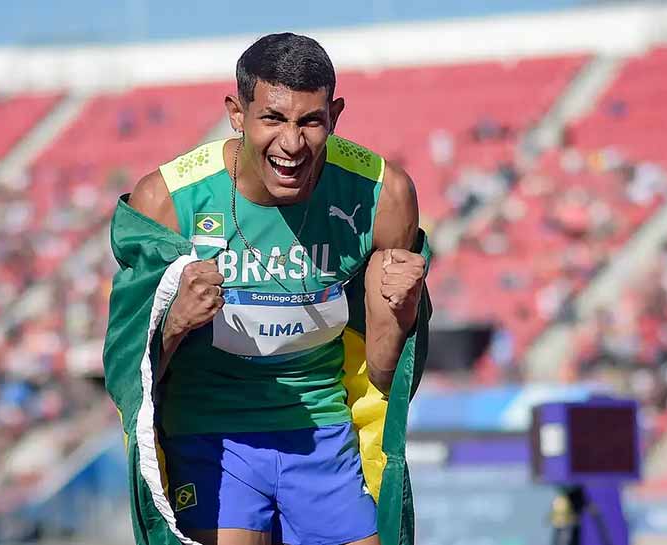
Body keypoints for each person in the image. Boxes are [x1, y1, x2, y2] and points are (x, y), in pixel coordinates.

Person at [103, 33, 432, 545]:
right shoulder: (167, 200)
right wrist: (173, 323)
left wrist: (403, 307)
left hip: (324, 438)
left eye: (311, 121)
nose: (292, 144)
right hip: (210, 435)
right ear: (238, 113)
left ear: (335, 115)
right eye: (273, 119)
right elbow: (130, 378)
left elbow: (388, 379)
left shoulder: (382, 196)